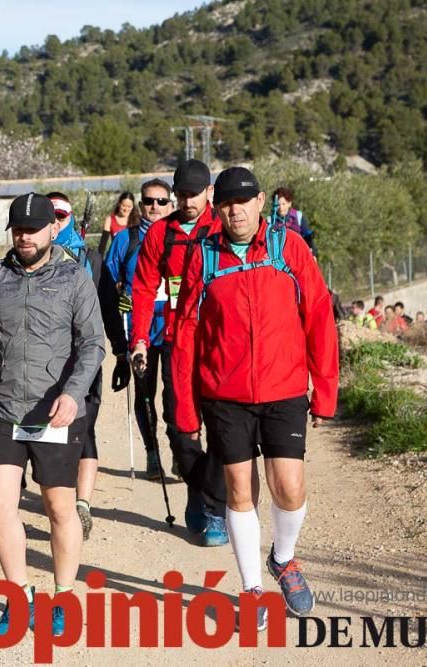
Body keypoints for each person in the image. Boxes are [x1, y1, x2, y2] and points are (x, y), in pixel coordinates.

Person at [171, 167, 339, 630]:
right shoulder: (203, 258)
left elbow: (320, 316)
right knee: (240, 491)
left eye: (243, 201)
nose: (235, 210)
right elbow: (184, 334)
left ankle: (283, 559)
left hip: (284, 389)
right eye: (225, 203)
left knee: (290, 488)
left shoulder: (289, 248)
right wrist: (185, 410)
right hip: (225, 396)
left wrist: (324, 391)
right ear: (215, 207)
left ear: (261, 201)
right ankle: (250, 588)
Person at [0, 193, 105, 637]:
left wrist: (74, 395)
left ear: (52, 229)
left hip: (55, 413)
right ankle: (19, 597)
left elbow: (93, 345)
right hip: (4, 408)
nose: (24, 237)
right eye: (18, 230)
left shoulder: (74, 278)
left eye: (33, 229)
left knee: (59, 507)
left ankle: (63, 596)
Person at [128, 160, 228, 547]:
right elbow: (141, 287)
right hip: (176, 341)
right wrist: (139, 339)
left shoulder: (222, 229)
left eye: (194, 194)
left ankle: (214, 506)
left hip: (221, 342)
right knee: (179, 426)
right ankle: (196, 486)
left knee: (222, 425)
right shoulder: (160, 234)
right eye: (181, 194)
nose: (187, 201)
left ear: (209, 192)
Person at [47, 191, 124, 540]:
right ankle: (59, 494)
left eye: (61, 215)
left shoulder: (90, 258)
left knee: (84, 427)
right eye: (50, 216)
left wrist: (122, 352)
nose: (56, 222)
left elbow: (108, 308)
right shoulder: (27, 258)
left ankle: (83, 504)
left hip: (85, 360)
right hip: (45, 364)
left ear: (70, 217)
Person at [104, 179, 175, 483]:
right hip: (139, 329)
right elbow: (108, 280)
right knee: (146, 392)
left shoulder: (179, 235)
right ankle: (152, 453)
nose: (154, 207)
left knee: (176, 394)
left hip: (174, 326)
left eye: (161, 201)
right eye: (148, 201)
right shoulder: (126, 239)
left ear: (171, 203)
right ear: (141, 203)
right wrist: (118, 296)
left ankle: (181, 449)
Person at [273, 186, 316, 256]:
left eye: (283, 204)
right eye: (278, 205)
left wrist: (313, 254)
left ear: (289, 203)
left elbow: (308, 237)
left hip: (299, 255)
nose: (281, 208)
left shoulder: (298, 216)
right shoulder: (271, 221)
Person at [98, 191, 140, 256]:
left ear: (133, 206)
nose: (126, 209)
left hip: (132, 258)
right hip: (115, 257)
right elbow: (102, 246)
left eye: (129, 206)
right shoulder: (110, 220)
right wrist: (99, 261)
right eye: (124, 206)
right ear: (119, 204)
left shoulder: (138, 220)